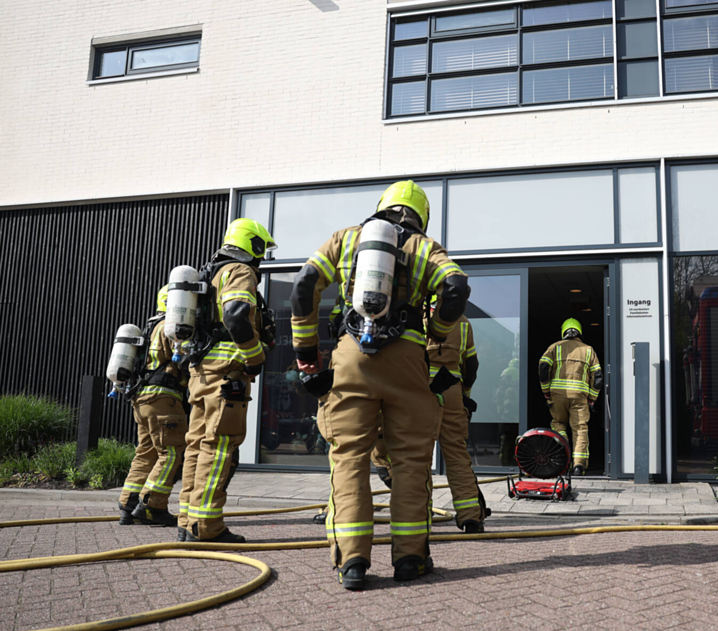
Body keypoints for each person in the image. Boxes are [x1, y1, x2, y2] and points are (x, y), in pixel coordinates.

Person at [290, 179, 469, 590]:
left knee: (349, 457)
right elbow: (455, 288)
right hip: (409, 361)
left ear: (381, 206)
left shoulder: (346, 239)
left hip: (351, 357)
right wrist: (438, 334)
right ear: (420, 215)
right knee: (410, 462)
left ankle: (351, 560)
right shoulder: (425, 248)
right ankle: (410, 559)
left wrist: (307, 358)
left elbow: (302, 288)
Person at [177, 217, 276, 543]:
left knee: (196, 445)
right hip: (227, 373)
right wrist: (255, 356)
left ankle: (187, 520)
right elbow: (235, 315)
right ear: (254, 246)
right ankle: (206, 526)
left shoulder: (212, 274)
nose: (263, 259)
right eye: (263, 251)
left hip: (201, 372)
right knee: (219, 447)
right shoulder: (240, 271)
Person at [117, 286, 188, 527]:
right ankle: (152, 505)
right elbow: (185, 361)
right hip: (163, 399)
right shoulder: (171, 327)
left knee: (145, 453)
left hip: (141, 399)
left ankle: (128, 504)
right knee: (171, 452)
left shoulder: (147, 328)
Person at [426, 313, 486, 532]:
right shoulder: (462, 322)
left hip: (421, 388)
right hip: (452, 388)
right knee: (458, 455)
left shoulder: (415, 315)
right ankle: (471, 517)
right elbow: (471, 365)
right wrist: (464, 394)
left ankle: (419, 516)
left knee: (418, 456)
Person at [539, 318, 603, 476]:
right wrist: (592, 398)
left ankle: (563, 461)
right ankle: (578, 466)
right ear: (579, 332)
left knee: (559, 425)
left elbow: (543, 367)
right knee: (580, 428)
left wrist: (546, 391)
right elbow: (598, 376)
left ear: (563, 331)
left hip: (557, 396)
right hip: (580, 397)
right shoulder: (588, 350)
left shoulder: (554, 347)